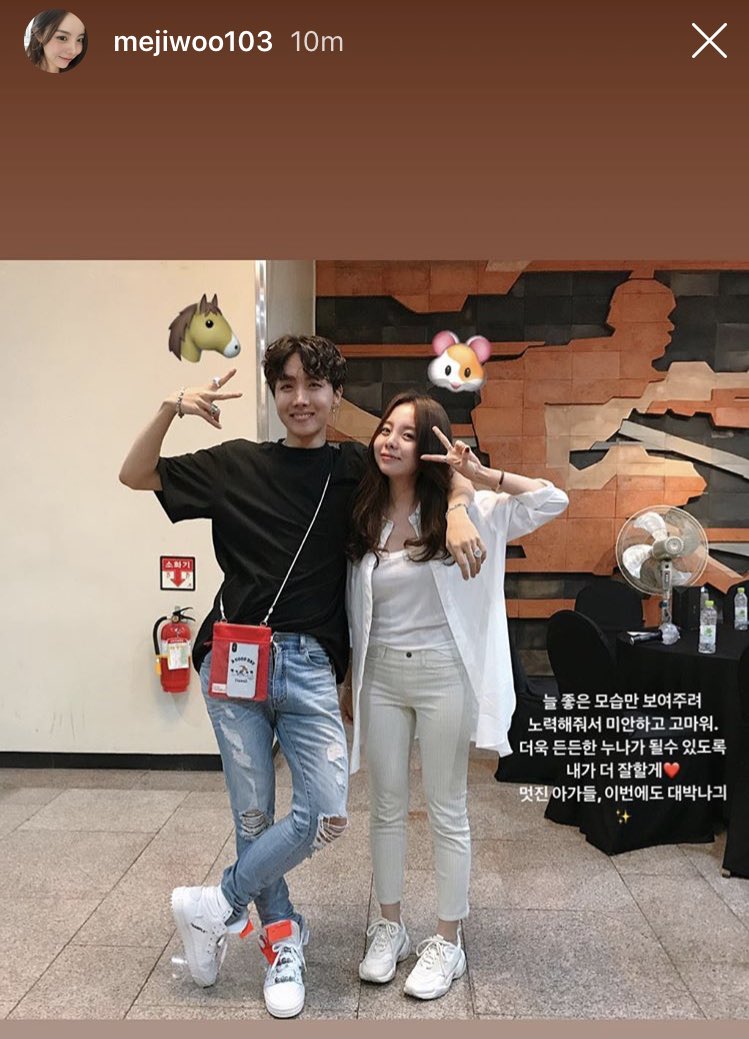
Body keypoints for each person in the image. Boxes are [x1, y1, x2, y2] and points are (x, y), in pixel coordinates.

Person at [119, 336, 483, 1018]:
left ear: (336, 396)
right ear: (274, 394)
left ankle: (216, 904)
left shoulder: (356, 467)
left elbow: (444, 470)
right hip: (232, 658)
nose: (300, 399)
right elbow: (135, 474)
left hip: (311, 661)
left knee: (326, 809)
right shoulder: (235, 463)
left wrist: (460, 502)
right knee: (254, 814)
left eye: (314, 385)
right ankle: (280, 939)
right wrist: (170, 407)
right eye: (286, 385)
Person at [344, 392, 568, 1000]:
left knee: (446, 808)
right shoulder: (364, 511)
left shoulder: (472, 512)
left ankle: (448, 940)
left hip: (444, 672)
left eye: (407, 434)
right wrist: (348, 680)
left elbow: (552, 499)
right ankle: (389, 926)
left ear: (430, 447)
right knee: (385, 807)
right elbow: (355, 607)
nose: (390, 441)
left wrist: (475, 480)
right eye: (385, 430)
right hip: (380, 674)